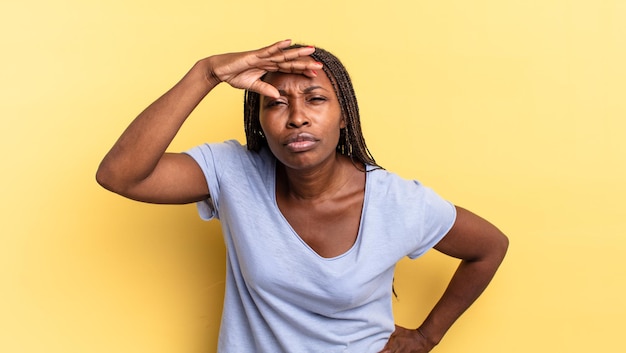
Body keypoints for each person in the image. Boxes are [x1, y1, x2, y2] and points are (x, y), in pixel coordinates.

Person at [96, 39, 509, 353]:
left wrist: (425, 337)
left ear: (344, 115)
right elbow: (121, 175)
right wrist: (205, 74)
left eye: (315, 99)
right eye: (275, 103)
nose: (296, 117)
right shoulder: (233, 172)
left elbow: (489, 247)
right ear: (259, 121)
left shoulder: (396, 203)